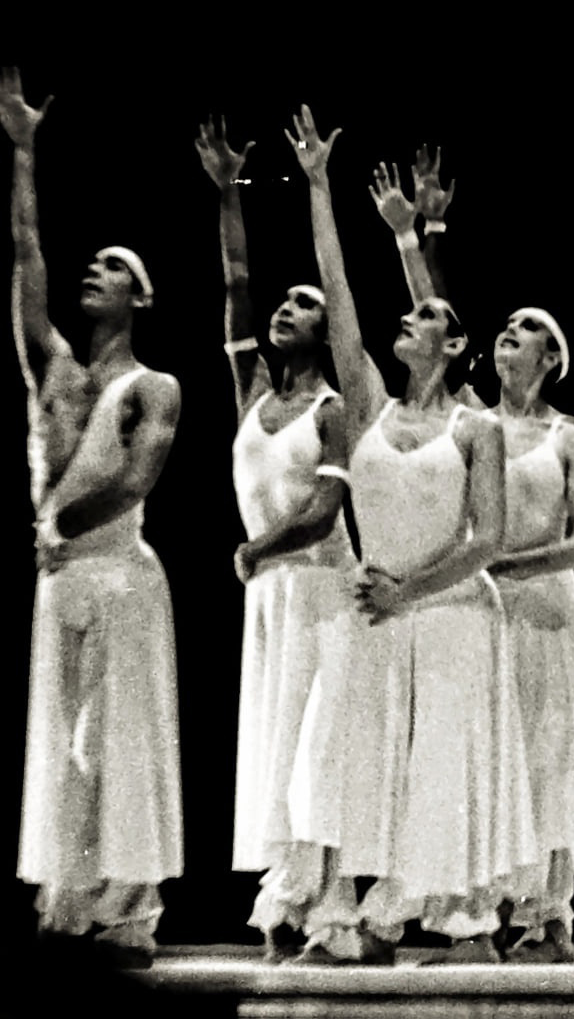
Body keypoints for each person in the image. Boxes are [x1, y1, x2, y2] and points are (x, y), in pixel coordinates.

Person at [288, 105, 539, 965]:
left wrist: (409, 588)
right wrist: (320, 186)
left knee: (443, 770)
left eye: (428, 315)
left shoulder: (477, 429)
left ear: (456, 342)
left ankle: (461, 920)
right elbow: (341, 292)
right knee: (369, 764)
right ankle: (379, 911)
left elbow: (491, 538)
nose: (410, 321)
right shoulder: (364, 405)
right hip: (382, 613)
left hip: (454, 611)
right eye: (412, 314)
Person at [379, 150, 574, 963]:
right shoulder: (475, 419)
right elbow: (435, 319)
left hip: (547, 614)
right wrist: (419, 235)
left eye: (525, 331)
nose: (506, 337)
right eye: (506, 329)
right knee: (490, 762)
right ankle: (474, 902)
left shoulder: (569, 434)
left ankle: (548, 915)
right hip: (482, 613)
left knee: (549, 758)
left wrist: (505, 566)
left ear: (550, 356)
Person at [8, 68, 184, 969]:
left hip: (117, 573)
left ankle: (131, 905)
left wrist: (63, 526)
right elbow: (27, 256)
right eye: (96, 263)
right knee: (63, 745)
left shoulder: (153, 387)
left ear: (140, 298)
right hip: (62, 577)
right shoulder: (58, 371)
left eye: (115, 267)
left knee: (116, 738)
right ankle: (70, 899)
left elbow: (137, 480)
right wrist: (24, 149)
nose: (95, 270)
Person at [199, 116, 354, 960]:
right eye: (286, 303)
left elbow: (327, 514)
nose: (287, 310)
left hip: (322, 589)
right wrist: (231, 191)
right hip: (269, 597)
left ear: (328, 333)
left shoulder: (335, 410)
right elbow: (235, 279)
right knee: (275, 743)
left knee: (312, 750)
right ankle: (306, 903)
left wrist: (260, 549)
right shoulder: (253, 390)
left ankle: (308, 902)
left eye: (307, 305)